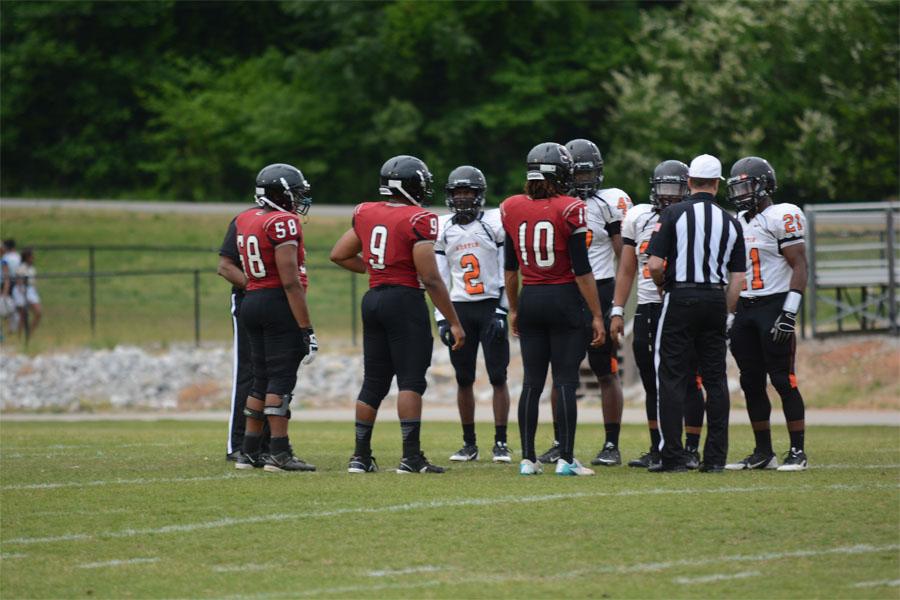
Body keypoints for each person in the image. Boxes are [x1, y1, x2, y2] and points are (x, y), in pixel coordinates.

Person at [330, 154, 465, 475]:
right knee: (410, 380)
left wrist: (376, 269)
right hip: (404, 301)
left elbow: (339, 254)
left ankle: (360, 457)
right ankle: (411, 457)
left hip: (373, 298)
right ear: (412, 185)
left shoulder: (365, 211)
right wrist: (454, 320)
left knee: (374, 380)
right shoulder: (420, 218)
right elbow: (430, 277)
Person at [501, 142, 605, 476]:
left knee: (532, 382)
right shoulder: (570, 207)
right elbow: (582, 270)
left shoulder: (511, 207)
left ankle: (528, 459)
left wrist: (514, 309)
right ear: (561, 173)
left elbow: (510, 270)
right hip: (563, 298)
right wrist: (598, 314)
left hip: (531, 297)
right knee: (564, 380)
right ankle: (566, 458)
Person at [647, 154, 746, 473]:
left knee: (671, 376)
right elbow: (738, 280)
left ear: (689, 182)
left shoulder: (674, 213)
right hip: (716, 298)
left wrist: (664, 288)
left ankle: (673, 455)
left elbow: (655, 264)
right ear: (717, 184)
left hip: (682, 295)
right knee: (715, 380)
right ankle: (715, 458)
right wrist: (726, 311)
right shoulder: (731, 221)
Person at [537, 139, 630, 467]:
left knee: (605, 370)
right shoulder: (555, 204)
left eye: (587, 173)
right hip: (565, 291)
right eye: (576, 175)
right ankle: (560, 442)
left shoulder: (609, 203)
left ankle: (611, 443)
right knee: (560, 371)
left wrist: (617, 306)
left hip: (601, 289)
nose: (582, 182)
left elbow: (625, 258)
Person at [608, 160, 706, 469]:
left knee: (689, 378)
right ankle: (658, 446)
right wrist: (618, 309)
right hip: (649, 307)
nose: (668, 196)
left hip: (681, 304)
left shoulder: (695, 218)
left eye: (675, 189)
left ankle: (690, 447)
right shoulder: (638, 216)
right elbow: (627, 269)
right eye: (663, 189)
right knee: (652, 382)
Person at [725, 157, 809, 471]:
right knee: (750, 382)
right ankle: (763, 452)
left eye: (747, 186)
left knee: (783, 380)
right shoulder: (737, 220)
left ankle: (797, 452)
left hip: (774, 304)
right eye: (738, 187)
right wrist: (729, 314)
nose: (741, 193)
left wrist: (790, 311)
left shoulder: (782, 215)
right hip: (745, 308)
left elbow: (799, 265)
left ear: (764, 186)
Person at [233, 163, 318, 473]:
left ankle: (249, 451)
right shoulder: (283, 223)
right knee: (280, 379)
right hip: (276, 302)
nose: (297, 200)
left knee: (259, 379)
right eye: (294, 194)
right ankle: (279, 453)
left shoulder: (246, 218)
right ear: (280, 194)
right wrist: (306, 328)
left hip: (251, 299)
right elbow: (290, 281)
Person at [434, 166, 512, 463]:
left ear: (480, 195)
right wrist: (442, 319)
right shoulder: (443, 228)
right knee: (463, 378)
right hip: (460, 308)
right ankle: (469, 443)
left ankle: (501, 442)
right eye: (458, 193)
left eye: (468, 192)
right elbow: (437, 280)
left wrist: (503, 310)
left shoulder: (494, 223)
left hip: (490, 304)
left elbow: (508, 270)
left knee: (497, 376)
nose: (463, 198)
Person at [217, 209, 275, 461]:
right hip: (249, 301)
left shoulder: (284, 223)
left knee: (275, 373)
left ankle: (270, 443)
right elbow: (225, 266)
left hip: (278, 304)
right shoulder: (244, 220)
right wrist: (258, 290)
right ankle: (239, 442)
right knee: (249, 371)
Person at [12, 248, 41, 337]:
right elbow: (19, 281)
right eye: (31, 257)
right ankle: (20, 336)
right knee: (23, 316)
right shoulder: (21, 268)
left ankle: (29, 334)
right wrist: (23, 294)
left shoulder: (32, 268)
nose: (33, 258)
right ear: (27, 257)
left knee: (38, 312)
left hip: (31, 290)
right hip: (22, 290)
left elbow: (33, 282)